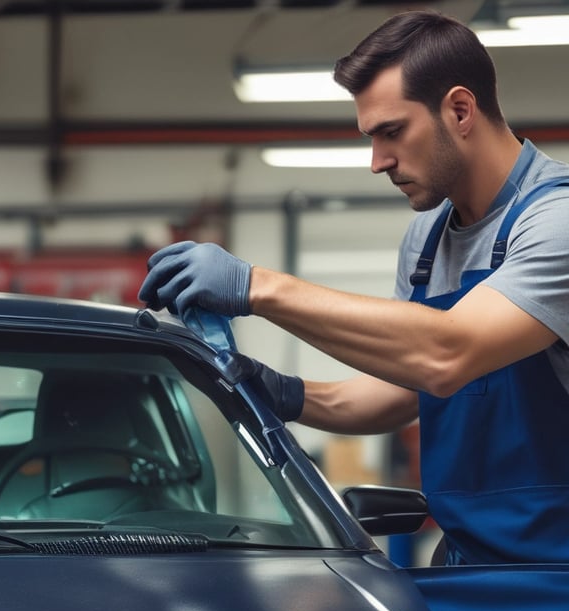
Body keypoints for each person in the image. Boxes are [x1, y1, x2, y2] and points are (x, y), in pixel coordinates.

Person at [137, 10, 569, 566]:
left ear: (461, 110)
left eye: (392, 132)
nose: (377, 161)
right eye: (370, 137)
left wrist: (257, 286)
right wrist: (288, 394)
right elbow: (410, 387)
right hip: (472, 562)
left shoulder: (554, 221)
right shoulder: (427, 241)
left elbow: (448, 352)